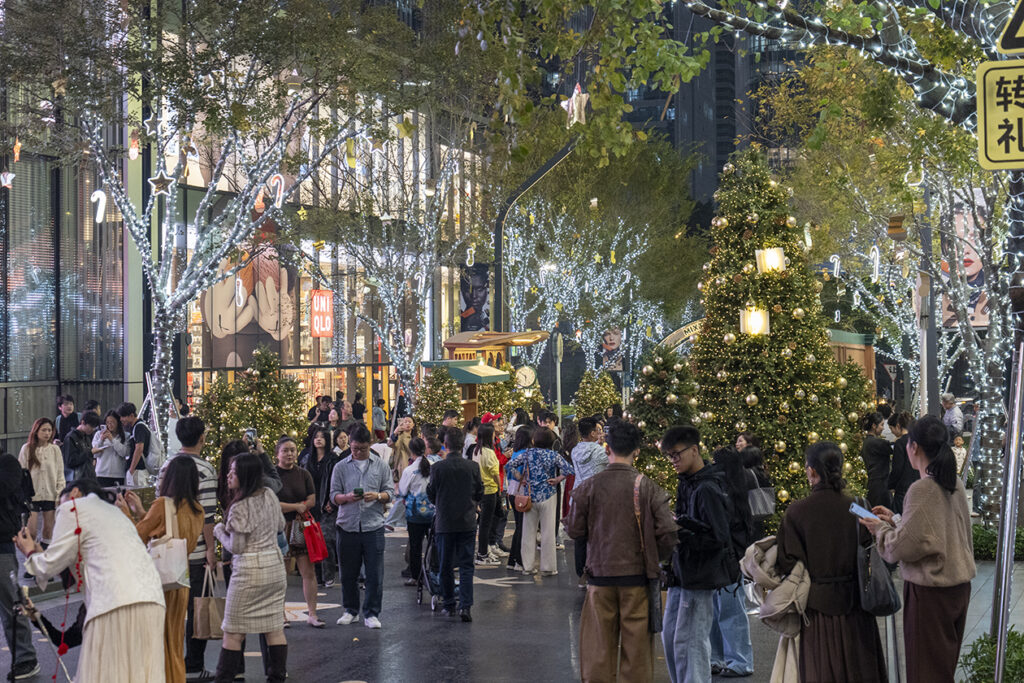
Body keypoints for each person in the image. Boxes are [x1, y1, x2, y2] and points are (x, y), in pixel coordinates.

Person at [15, 479, 166, 682]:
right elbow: (71, 564)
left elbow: (48, 565)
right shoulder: (114, 515)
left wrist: (30, 551)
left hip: (113, 602)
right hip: (152, 601)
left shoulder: (74, 507)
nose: (61, 509)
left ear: (74, 493)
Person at [862, 415, 975, 683]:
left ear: (914, 447)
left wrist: (880, 529)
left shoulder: (922, 488)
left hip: (931, 593)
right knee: (941, 667)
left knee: (925, 671)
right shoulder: (953, 483)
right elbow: (934, 533)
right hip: (957, 587)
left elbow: (900, 548)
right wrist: (897, 519)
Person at [566, 420, 677, 683]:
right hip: (637, 580)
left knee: (598, 652)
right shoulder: (648, 487)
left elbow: (574, 530)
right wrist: (653, 555)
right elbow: (668, 533)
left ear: (607, 449)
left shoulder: (590, 486)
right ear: (636, 450)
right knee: (637, 654)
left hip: (599, 578)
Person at [776, 442, 888, 683]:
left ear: (812, 471)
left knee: (823, 670)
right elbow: (880, 541)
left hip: (817, 608)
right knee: (860, 670)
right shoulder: (858, 508)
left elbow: (786, 562)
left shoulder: (797, 512)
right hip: (857, 605)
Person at [119, 456, 204, 683]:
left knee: (156, 641)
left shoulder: (162, 505)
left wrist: (128, 513)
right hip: (179, 578)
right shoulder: (197, 509)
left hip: (158, 581)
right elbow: (168, 532)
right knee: (174, 641)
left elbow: (138, 536)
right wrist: (141, 512)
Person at [660, 425, 734, 683]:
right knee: (672, 637)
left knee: (690, 642)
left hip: (699, 575)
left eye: (676, 454)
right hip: (683, 572)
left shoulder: (707, 488)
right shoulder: (688, 484)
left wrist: (681, 531)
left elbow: (718, 538)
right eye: (669, 456)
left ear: (694, 450)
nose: (673, 461)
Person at [212, 453, 288, 683]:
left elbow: (236, 546)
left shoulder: (239, 506)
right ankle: (276, 678)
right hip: (274, 568)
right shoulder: (270, 496)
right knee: (274, 629)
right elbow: (280, 526)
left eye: (233, 472)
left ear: (244, 476)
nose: (228, 475)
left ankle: (223, 679)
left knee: (233, 631)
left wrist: (218, 531)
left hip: (249, 573)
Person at [156, 415, 219, 682]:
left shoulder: (166, 466)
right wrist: (210, 551)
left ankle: (168, 664)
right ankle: (193, 664)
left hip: (168, 549)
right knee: (197, 608)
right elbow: (207, 515)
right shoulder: (205, 470)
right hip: (194, 551)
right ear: (202, 437)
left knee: (169, 610)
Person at [329, 425, 395, 629]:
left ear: (370, 446)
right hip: (347, 525)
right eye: (355, 448)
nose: (357, 452)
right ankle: (350, 610)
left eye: (362, 449)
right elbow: (333, 496)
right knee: (348, 573)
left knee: (375, 573)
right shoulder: (340, 466)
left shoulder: (380, 466)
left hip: (373, 525)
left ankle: (372, 613)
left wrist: (377, 496)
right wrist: (347, 497)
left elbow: (390, 492)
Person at [427, 429, 483, 621]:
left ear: (446, 444)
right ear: (462, 445)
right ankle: (465, 606)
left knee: (445, 565)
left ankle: (449, 604)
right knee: (467, 565)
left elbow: (431, 493)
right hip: (467, 521)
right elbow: (479, 492)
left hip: (445, 522)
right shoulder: (472, 467)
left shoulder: (438, 468)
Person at [708, 448, 755, 678]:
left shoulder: (720, 490)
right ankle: (723, 657)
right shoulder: (736, 488)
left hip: (725, 559)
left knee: (727, 610)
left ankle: (738, 660)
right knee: (722, 609)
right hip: (733, 557)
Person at [507, 427, 574, 576]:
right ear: (551, 441)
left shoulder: (527, 454)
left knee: (528, 532)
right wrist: (557, 479)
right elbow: (569, 469)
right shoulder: (554, 455)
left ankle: (528, 566)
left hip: (530, 496)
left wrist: (520, 477)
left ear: (533, 440)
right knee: (548, 532)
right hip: (549, 495)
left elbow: (509, 465)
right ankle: (549, 567)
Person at [0, 448, 39, 680]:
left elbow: (4, 488)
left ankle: (26, 659)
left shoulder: (7, 463)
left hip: (2, 544)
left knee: (12, 605)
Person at [275, 436, 322, 627]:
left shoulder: (304, 474)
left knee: (308, 571)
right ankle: (280, 615)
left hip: (302, 527)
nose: (289, 454)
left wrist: (297, 507)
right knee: (280, 573)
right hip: (279, 527)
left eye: (293, 450)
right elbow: (273, 504)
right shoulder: (272, 476)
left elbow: (311, 500)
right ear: (277, 453)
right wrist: (297, 506)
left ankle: (312, 613)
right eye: (285, 450)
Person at [301, 428, 341, 588]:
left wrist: (332, 501)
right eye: (315, 437)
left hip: (327, 505)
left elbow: (336, 481)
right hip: (310, 505)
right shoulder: (306, 459)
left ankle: (328, 575)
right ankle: (316, 575)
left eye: (321, 437)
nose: (318, 440)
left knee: (326, 540)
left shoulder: (333, 459)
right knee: (311, 541)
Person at [570, 417, 608, 582]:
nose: (600, 433)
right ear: (592, 433)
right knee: (597, 536)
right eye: (598, 430)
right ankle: (596, 570)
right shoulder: (600, 452)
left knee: (580, 538)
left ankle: (581, 573)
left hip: (578, 497)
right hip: (596, 497)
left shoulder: (575, 450)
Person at [19, 418, 64, 550]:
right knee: (31, 532)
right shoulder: (26, 448)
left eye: (50, 430)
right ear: (36, 431)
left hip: (50, 494)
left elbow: (60, 474)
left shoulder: (55, 449)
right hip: (32, 496)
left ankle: (44, 557)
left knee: (48, 531)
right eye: (44, 430)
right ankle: (32, 556)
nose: (47, 433)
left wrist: (59, 493)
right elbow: (21, 473)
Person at [397, 437, 433, 586]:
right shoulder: (434, 465)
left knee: (415, 546)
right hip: (432, 512)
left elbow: (403, 490)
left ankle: (415, 576)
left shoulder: (409, 470)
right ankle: (433, 573)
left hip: (415, 514)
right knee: (433, 545)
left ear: (411, 451)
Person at [471, 422, 502, 565]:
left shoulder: (476, 450)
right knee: (486, 524)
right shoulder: (489, 453)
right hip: (490, 490)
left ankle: (484, 551)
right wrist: (500, 487)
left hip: (481, 489)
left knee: (484, 523)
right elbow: (495, 473)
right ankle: (482, 553)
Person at [505, 425, 534, 572]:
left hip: (512, 491)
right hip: (521, 492)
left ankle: (512, 560)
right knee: (523, 529)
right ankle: (519, 561)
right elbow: (516, 470)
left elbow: (507, 466)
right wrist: (520, 476)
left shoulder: (515, 452)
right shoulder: (526, 453)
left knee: (519, 527)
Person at [887, 411, 918, 514]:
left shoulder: (900, 443)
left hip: (903, 489)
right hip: (918, 485)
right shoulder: (918, 440)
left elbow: (897, 468)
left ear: (899, 425)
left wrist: (891, 485)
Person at [860, 412, 892, 508]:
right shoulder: (877, 443)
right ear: (874, 425)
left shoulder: (866, 442)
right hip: (880, 486)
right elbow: (893, 448)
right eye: (882, 425)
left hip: (872, 484)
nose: (883, 428)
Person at [117, 401, 152, 486]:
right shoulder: (136, 427)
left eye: (123, 416)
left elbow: (139, 448)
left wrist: (131, 470)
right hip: (138, 471)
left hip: (139, 471)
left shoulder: (139, 427)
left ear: (132, 415)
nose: (121, 419)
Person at [92, 409, 129, 486]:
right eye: (108, 422)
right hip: (101, 473)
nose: (110, 425)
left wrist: (112, 439)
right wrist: (101, 440)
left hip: (118, 474)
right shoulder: (98, 434)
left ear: (118, 423)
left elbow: (124, 453)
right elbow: (95, 454)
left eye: (112, 422)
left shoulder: (126, 436)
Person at [62, 411, 102, 481]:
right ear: (83, 422)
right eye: (91, 426)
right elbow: (70, 461)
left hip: (88, 477)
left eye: (94, 427)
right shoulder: (70, 437)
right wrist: (90, 453)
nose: (92, 429)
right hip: (76, 478)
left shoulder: (87, 437)